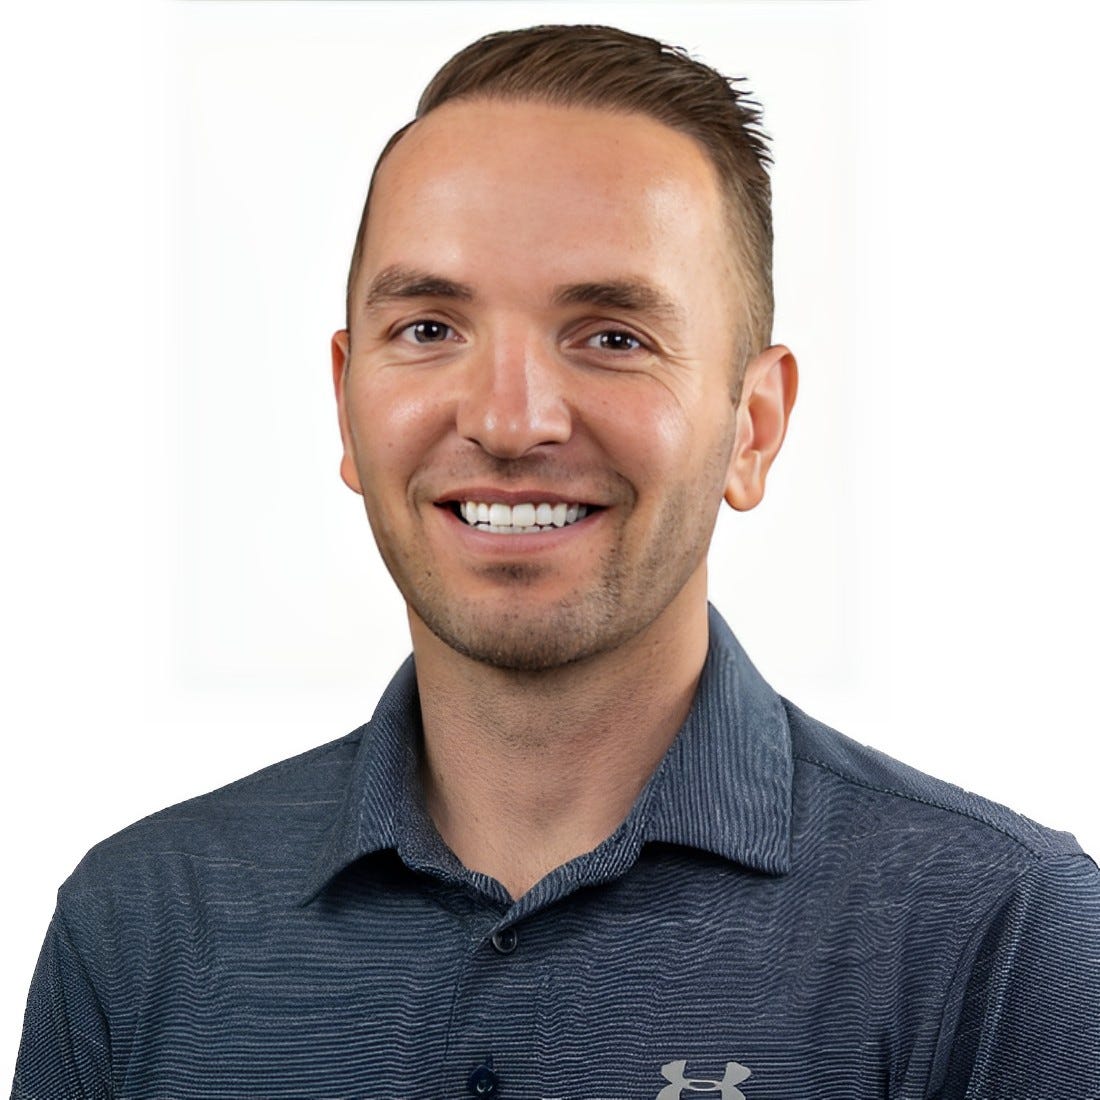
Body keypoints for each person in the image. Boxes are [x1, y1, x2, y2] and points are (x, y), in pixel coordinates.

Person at [12, 23, 1099, 1100]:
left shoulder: (1001, 934)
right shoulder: (138, 927)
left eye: (613, 337)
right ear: (346, 403)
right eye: (429, 328)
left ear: (753, 427)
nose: (507, 419)